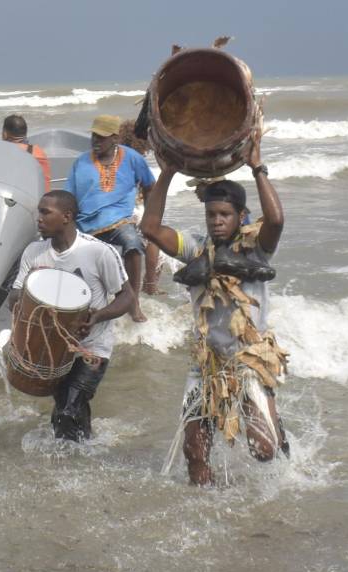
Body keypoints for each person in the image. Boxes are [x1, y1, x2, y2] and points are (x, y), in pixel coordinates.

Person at [139, 130, 290, 486]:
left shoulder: (256, 250)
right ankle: (203, 510)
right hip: (205, 363)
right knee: (195, 454)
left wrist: (257, 168)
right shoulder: (195, 250)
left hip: (248, 359)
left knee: (263, 450)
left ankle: (277, 434)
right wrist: (168, 173)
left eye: (224, 214)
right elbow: (149, 227)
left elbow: (277, 221)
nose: (216, 220)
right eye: (211, 214)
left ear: (240, 216)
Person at [8, 190, 134, 441]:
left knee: (67, 410)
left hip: (92, 348)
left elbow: (127, 297)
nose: (39, 218)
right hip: (53, 349)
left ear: (66, 216)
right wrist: (32, 285)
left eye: (46, 212)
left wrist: (96, 317)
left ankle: (66, 463)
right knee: (69, 407)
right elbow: (12, 299)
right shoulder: (34, 252)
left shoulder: (99, 252)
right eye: (39, 212)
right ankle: (88, 452)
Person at [67, 115, 156, 322]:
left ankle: (133, 302)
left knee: (133, 244)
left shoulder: (133, 158)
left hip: (119, 221)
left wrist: (149, 219)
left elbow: (150, 186)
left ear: (115, 138)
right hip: (86, 224)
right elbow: (69, 197)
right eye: (94, 136)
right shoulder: (81, 163)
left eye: (102, 137)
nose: (96, 141)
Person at [118, 119, 163, 295]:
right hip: (134, 210)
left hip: (119, 210)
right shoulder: (137, 161)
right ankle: (150, 283)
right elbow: (149, 186)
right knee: (154, 239)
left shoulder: (116, 158)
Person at [2, 114, 52, 191]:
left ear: (5, 134)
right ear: (25, 133)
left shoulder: (4, 153)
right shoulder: (39, 152)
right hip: (41, 199)